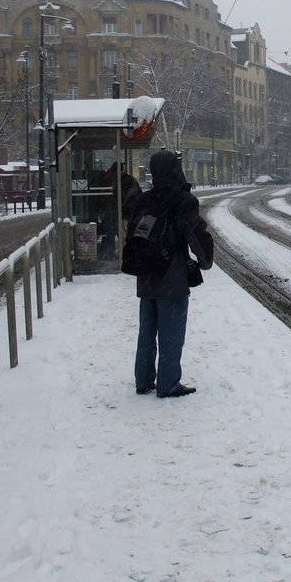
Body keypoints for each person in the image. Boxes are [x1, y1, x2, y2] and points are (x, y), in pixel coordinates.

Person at [130, 150, 214, 398]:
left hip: (146, 275)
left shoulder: (144, 200)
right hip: (171, 276)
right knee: (171, 332)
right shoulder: (182, 200)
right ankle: (168, 383)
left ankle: (143, 379)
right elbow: (195, 233)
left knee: (147, 331)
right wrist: (205, 260)